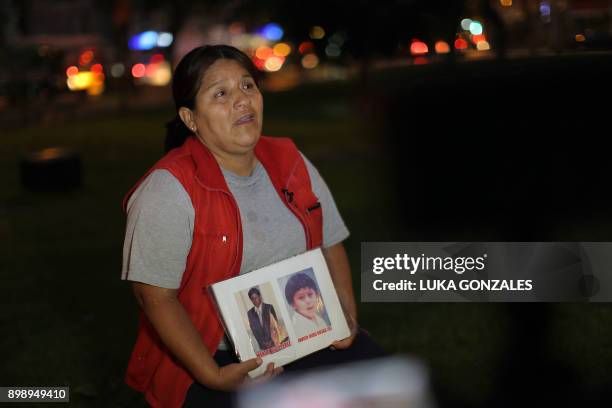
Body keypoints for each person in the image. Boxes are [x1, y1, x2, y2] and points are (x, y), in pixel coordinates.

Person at [121, 44, 385, 408]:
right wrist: (212, 375)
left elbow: (330, 243)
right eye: (221, 93)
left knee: (390, 390)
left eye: (248, 86)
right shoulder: (167, 190)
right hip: (216, 359)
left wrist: (345, 319)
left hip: (309, 334)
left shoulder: (289, 159)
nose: (242, 101)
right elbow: (154, 296)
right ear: (190, 118)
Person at [284, 272, 330, 339]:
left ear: (317, 295)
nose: (308, 301)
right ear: (293, 304)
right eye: (301, 297)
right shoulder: (297, 329)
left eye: (310, 294)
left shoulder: (319, 319)